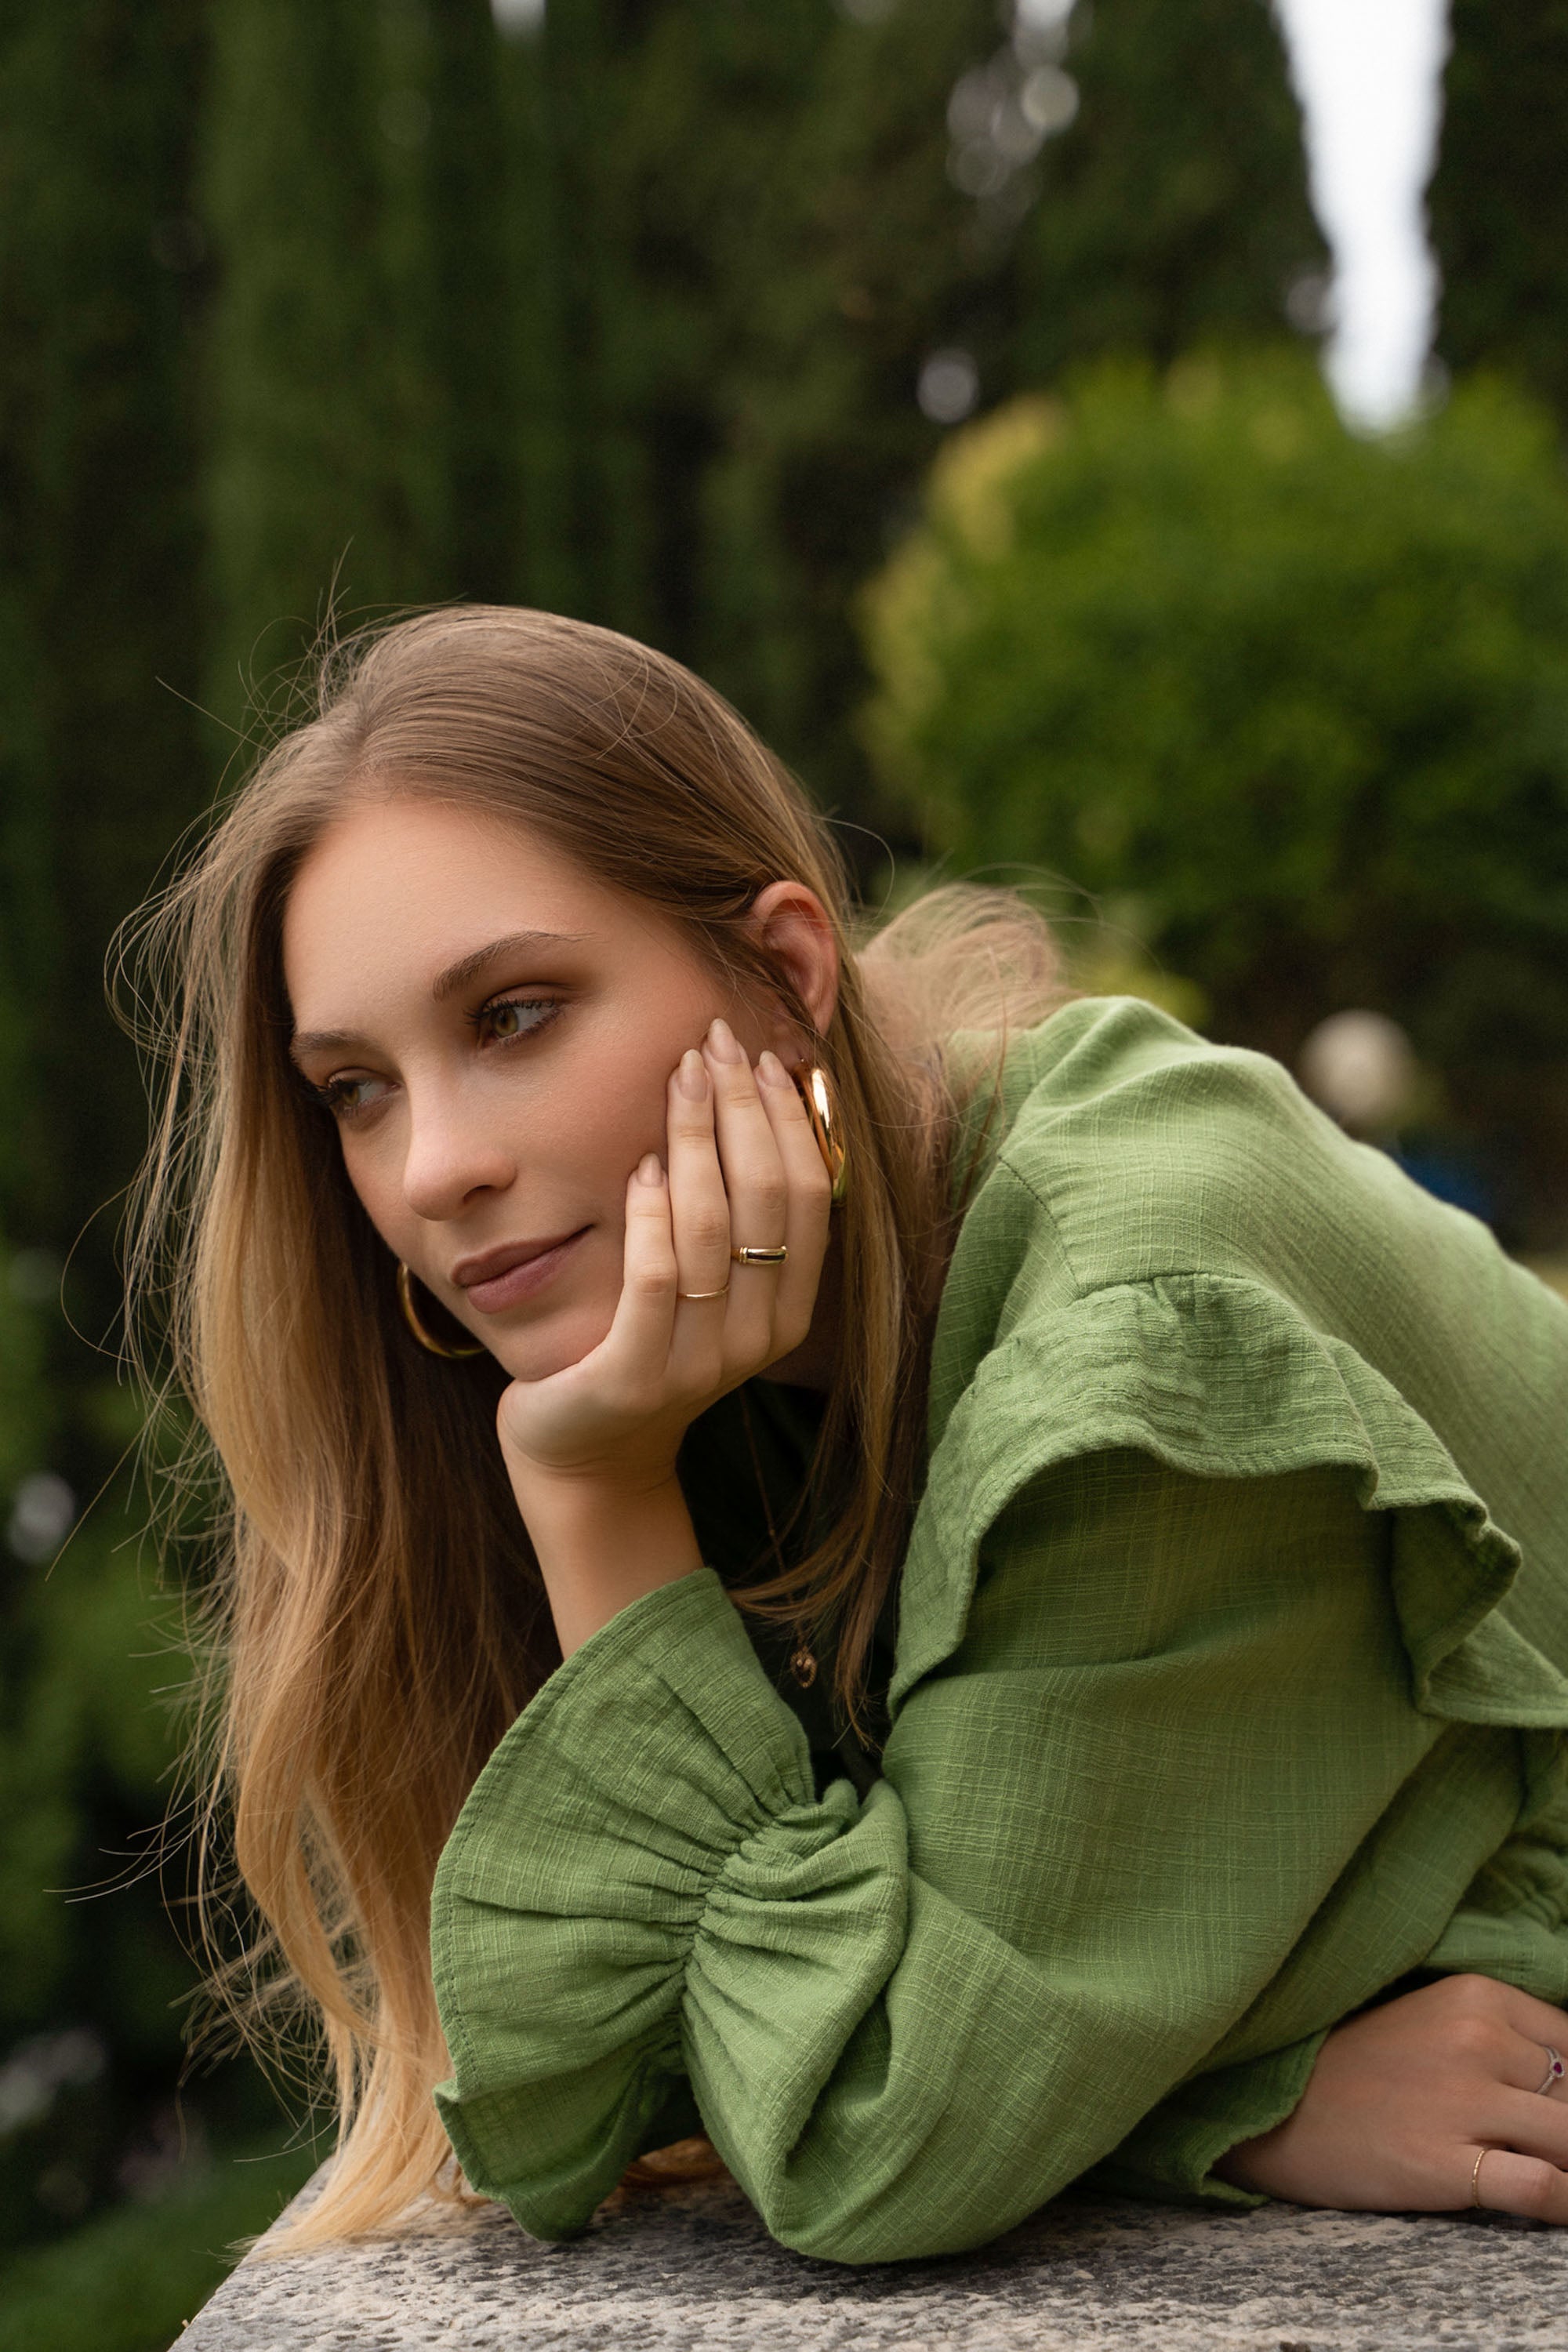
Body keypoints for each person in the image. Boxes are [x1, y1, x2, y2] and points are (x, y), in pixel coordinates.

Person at [127, 606, 1568, 2264]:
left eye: (514, 1015)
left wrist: (597, 1507)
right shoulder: (717, 1376)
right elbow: (595, 2083)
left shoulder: (1134, 1326)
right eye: (356, 1088)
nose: (433, 1165)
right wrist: (1236, 2097)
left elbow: (870, 2126)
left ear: (788, 973)